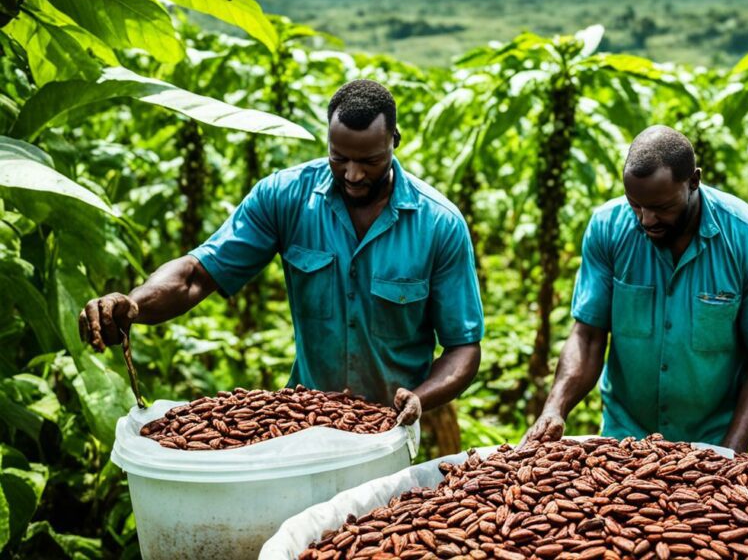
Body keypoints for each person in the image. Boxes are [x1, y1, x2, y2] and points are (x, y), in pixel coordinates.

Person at [78, 79, 484, 426]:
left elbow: (463, 346)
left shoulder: (438, 224)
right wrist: (133, 304)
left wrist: (420, 397)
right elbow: (197, 274)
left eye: (370, 161)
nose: (354, 174)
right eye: (339, 158)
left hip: (391, 429)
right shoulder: (285, 197)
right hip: (305, 421)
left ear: (394, 141)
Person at [523, 125, 748, 452]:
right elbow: (589, 337)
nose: (646, 219)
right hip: (625, 437)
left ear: (693, 181)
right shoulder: (608, 229)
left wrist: (730, 454)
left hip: (711, 441)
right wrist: (555, 407)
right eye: (635, 204)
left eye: (661, 208)